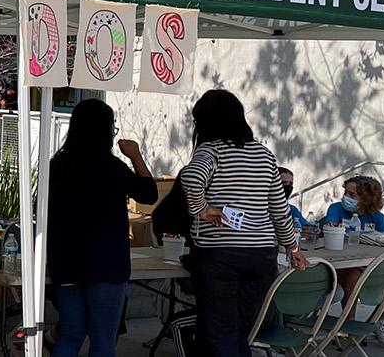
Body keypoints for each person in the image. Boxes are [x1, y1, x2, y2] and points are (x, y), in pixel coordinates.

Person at [178, 90, 309, 357]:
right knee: (246, 327)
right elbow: (279, 210)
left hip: (219, 255)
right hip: (261, 255)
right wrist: (293, 249)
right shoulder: (264, 154)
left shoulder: (211, 150)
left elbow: (191, 178)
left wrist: (202, 209)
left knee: (221, 332)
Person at [46, 100, 158, 357]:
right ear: (105, 131)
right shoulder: (112, 167)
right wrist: (136, 155)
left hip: (66, 263)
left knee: (70, 334)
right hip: (106, 264)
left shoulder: (56, 166)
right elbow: (149, 194)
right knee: (103, 340)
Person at [320, 176, 384, 346]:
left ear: (366, 198)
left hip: (369, 265)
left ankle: (377, 321)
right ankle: (349, 323)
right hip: (342, 264)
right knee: (353, 276)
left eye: (353, 194)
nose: (347, 197)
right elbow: (331, 229)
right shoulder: (336, 209)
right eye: (346, 192)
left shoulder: (378, 218)